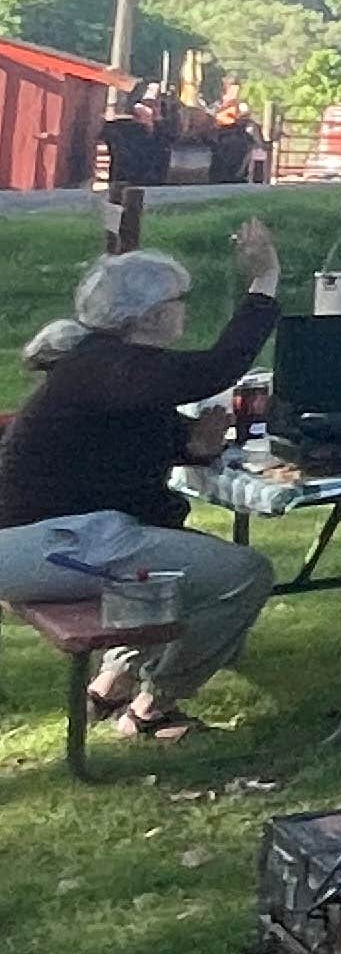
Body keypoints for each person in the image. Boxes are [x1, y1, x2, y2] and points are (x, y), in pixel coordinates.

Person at [0, 221, 284, 742]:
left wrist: (195, 443)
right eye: (180, 299)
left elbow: (136, 438)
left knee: (188, 569)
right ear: (150, 314)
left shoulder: (107, 366)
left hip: (64, 536)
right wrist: (264, 281)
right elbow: (217, 368)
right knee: (243, 573)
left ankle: (115, 681)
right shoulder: (109, 366)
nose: (185, 308)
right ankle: (153, 708)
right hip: (50, 541)